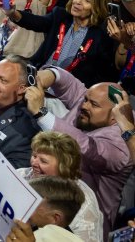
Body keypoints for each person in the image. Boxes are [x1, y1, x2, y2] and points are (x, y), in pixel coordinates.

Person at [27, 67, 133, 232]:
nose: (84, 105)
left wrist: (42, 113)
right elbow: (69, 83)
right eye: (86, 99)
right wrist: (47, 76)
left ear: (114, 117)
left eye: (93, 104)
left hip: (79, 224)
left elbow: (85, 146)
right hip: (44, 201)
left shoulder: (121, 145)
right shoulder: (89, 104)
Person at [18, 131, 104, 242]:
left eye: (43, 161)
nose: (34, 163)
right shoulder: (21, 175)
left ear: (63, 166)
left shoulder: (83, 203)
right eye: (34, 156)